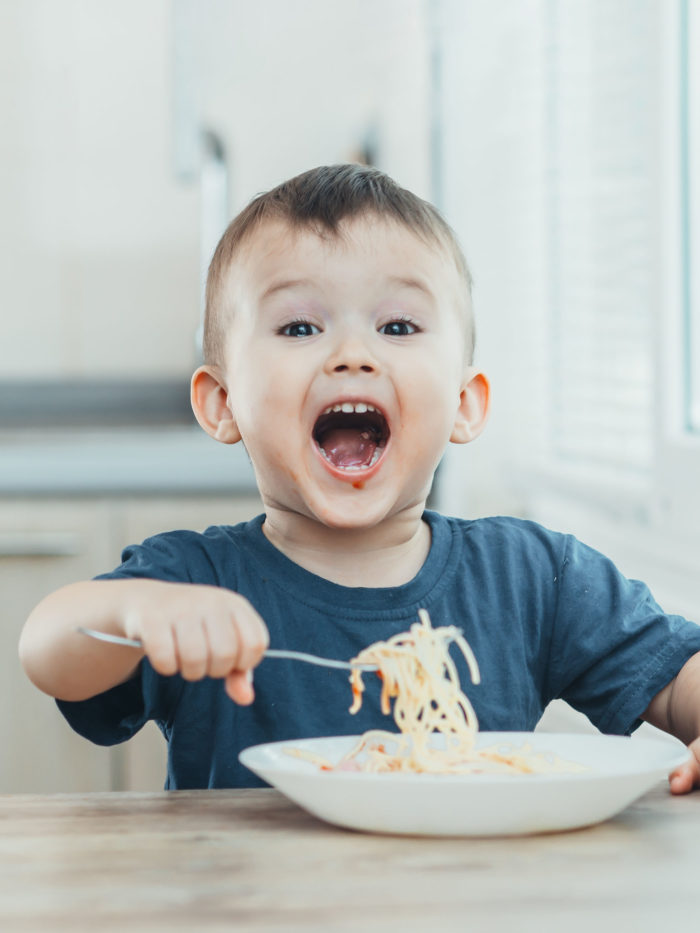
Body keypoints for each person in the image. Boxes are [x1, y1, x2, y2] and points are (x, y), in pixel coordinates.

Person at [18, 164, 700, 792]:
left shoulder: (533, 577)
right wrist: (135, 615)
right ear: (223, 404)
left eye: (398, 325)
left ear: (465, 403)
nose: (352, 354)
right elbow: (49, 648)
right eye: (299, 326)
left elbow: (675, 680)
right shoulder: (196, 581)